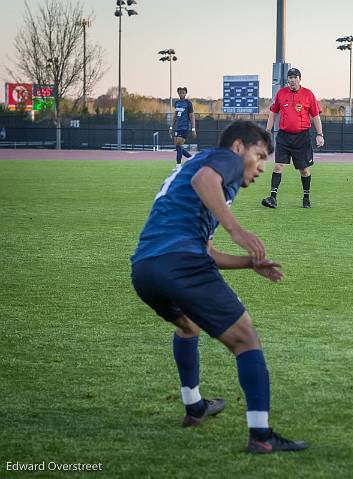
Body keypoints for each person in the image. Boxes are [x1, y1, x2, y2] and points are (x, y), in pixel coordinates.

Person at [131, 120, 307, 454]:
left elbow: (208, 251)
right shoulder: (223, 160)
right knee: (246, 340)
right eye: (259, 156)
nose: (259, 168)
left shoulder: (203, 173)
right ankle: (261, 436)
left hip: (145, 269)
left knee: (187, 325)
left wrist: (249, 263)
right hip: (180, 262)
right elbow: (204, 180)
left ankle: (194, 406)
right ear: (239, 148)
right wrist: (237, 231)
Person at [261, 67, 324, 209]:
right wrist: (268, 131)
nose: (293, 80)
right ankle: (272, 198)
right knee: (278, 166)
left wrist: (320, 134)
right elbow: (273, 112)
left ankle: (306, 198)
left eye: (295, 77)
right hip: (284, 137)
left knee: (304, 170)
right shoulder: (281, 93)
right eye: (290, 77)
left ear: (300, 79)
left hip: (302, 138)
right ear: (288, 80)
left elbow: (315, 116)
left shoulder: (308, 94)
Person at [169, 86, 197, 170]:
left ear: (185, 93)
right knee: (178, 147)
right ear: (178, 93)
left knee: (178, 144)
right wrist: (171, 126)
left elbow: (192, 116)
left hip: (184, 127)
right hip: (178, 127)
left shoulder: (188, 103)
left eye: (183, 92)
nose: (181, 94)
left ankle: (178, 166)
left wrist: (193, 129)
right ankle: (192, 159)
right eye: (180, 92)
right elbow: (175, 115)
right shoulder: (177, 103)